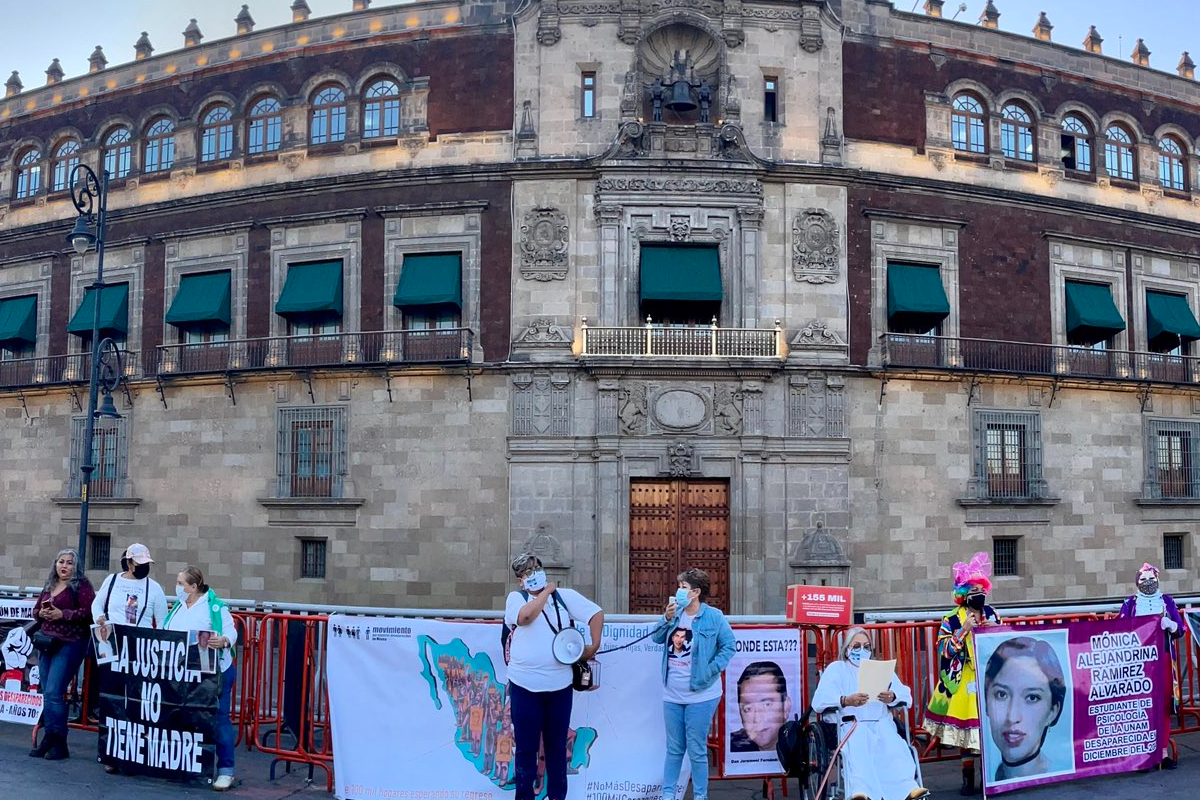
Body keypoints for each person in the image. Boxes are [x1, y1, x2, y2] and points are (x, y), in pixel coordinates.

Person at [504, 553, 604, 800]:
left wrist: (593, 645)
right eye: (527, 572)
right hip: (524, 687)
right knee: (527, 750)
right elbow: (525, 617)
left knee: (556, 748)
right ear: (520, 580)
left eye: (536, 568)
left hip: (559, 687)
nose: (534, 573)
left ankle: (558, 796)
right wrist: (545, 594)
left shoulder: (565, 598)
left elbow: (595, 613)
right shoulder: (516, 598)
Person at [811, 628, 929, 800]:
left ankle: (907, 788)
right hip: (851, 724)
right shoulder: (837, 669)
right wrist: (845, 700)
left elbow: (904, 694)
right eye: (856, 646)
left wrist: (892, 696)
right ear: (847, 648)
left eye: (866, 646)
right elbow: (820, 701)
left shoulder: (878, 669)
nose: (862, 650)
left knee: (894, 747)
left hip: (880, 722)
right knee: (859, 747)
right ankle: (860, 790)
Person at [651, 568, 735, 800]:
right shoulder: (675, 614)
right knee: (674, 748)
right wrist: (666, 619)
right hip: (672, 693)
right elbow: (656, 638)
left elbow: (729, 646)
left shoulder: (714, 617)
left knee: (697, 749)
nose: (678, 591)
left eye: (683, 587)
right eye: (679, 586)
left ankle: (700, 795)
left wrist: (711, 669)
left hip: (702, 693)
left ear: (696, 592)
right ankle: (668, 793)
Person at [924, 552, 1000, 796]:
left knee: (989, 730)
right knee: (968, 734)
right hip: (963, 681)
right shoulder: (950, 620)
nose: (979, 593)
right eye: (974, 589)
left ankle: (990, 778)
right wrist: (964, 631)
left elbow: (1005, 644)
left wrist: (996, 630)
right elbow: (944, 650)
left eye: (982, 588)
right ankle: (968, 778)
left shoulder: (992, 613)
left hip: (989, 679)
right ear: (963, 594)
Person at [164, 565, 239, 791]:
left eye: (181, 584)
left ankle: (226, 770)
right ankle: (188, 765)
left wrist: (224, 640)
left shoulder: (213, 607)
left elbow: (231, 631)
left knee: (219, 718)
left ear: (194, 586)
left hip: (214, 674)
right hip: (184, 674)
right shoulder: (178, 607)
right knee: (183, 716)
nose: (177, 587)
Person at [28, 549, 95, 760]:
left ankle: (57, 741)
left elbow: (89, 612)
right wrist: (43, 613)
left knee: (55, 691)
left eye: (69, 563)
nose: (64, 566)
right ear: (55, 564)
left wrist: (63, 614)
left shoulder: (82, 586)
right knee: (48, 692)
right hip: (47, 642)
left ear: (76, 568)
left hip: (71, 643)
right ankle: (52, 737)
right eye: (61, 562)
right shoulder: (49, 584)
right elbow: (35, 610)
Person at [1117, 562, 1184, 770]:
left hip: (1163, 659)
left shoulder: (1167, 601)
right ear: (1137, 582)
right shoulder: (1130, 604)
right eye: (1143, 580)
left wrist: (1171, 625)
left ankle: (1162, 751)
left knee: (1163, 705)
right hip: (1139, 662)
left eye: (1151, 579)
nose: (1148, 583)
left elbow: (1180, 629)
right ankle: (1141, 753)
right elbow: (1119, 630)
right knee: (1140, 706)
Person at [982, 637, 1067, 781]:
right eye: (1001, 694)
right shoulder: (993, 775)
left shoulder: (1062, 776)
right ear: (985, 703)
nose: (1012, 717)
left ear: (1053, 711)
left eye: (1032, 697)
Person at [91, 543, 169, 631]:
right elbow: (97, 604)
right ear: (129, 563)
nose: (143, 567)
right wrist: (99, 617)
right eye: (140, 564)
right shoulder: (112, 580)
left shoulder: (154, 587)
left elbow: (162, 619)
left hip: (141, 639)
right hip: (114, 637)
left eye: (146, 564)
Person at [729, 661, 793, 752]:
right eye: (748, 709)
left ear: (786, 706)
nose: (757, 718)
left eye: (767, 704)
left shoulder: (801, 745)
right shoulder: (732, 746)